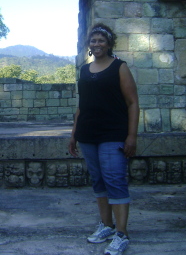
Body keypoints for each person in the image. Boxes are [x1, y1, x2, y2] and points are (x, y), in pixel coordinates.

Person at [68, 23, 139, 255]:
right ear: (89, 45)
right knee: (98, 182)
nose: (96, 44)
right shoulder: (84, 70)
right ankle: (106, 226)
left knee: (115, 181)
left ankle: (122, 233)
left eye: (101, 40)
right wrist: (74, 134)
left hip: (113, 134)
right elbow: (82, 106)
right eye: (93, 40)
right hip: (88, 134)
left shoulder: (120, 67)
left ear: (109, 44)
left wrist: (131, 136)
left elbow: (132, 103)